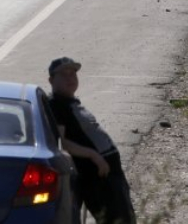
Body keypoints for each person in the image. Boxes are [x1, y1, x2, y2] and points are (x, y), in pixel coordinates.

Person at [48, 57, 136, 224]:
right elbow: (61, 143)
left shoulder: (68, 102)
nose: (70, 78)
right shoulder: (56, 105)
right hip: (97, 177)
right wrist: (94, 156)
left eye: (73, 74)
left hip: (107, 175)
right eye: (64, 74)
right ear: (51, 80)